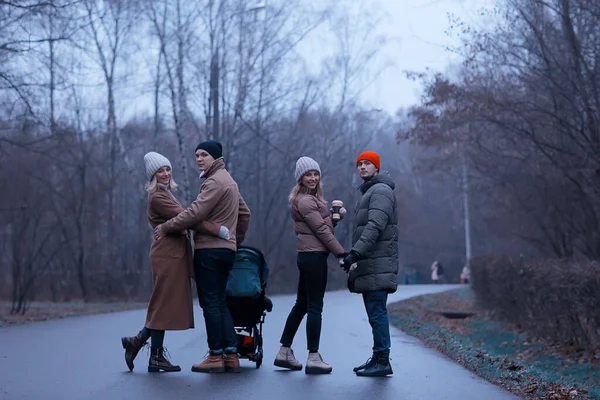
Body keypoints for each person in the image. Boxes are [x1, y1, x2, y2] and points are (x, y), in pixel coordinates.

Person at [121, 151, 229, 373]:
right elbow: (187, 217)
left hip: (173, 253)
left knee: (163, 303)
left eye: (167, 169)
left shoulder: (166, 193)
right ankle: (149, 350)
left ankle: (145, 347)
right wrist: (218, 230)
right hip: (167, 255)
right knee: (162, 303)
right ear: (152, 176)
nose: (165, 173)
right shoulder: (159, 197)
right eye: (160, 171)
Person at [154, 140, 251, 374]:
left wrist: (166, 227)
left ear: (215, 157)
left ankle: (215, 355)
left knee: (210, 304)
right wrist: (234, 241)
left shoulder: (214, 181)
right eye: (196, 154)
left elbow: (195, 213)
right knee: (220, 302)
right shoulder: (230, 181)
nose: (199, 158)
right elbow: (245, 214)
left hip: (210, 250)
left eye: (204, 155)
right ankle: (231, 355)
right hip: (226, 251)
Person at [274, 156, 347, 375]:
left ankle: (284, 352)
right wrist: (341, 253)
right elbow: (321, 232)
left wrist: (334, 219)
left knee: (302, 305)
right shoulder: (306, 201)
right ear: (300, 178)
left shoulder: (312, 199)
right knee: (315, 307)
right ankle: (313, 357)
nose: (313, 178)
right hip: (313, 257)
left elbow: (322, 227)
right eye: (308, 175)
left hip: (309, 255)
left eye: (315, 174)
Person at [340, 150, 398, 377]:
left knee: (377, 313)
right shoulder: (371, 191)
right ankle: (377, 357)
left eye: (367, 164)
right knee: (374, 313)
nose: (362, 167)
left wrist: (355, 254)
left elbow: (374, 226)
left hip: (377, 264)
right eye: (360, 164)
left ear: (377, 167)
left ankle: (383, 360)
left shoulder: (381, 191)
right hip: (372, 264)